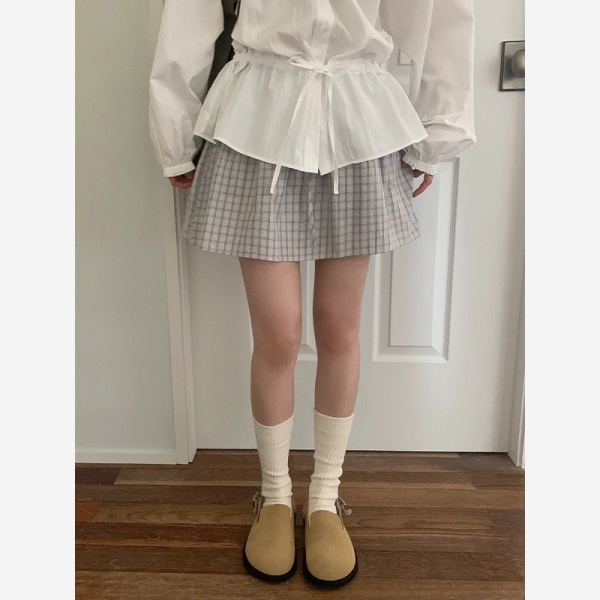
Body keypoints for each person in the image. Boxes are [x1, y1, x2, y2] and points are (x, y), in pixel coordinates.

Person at [149, 0, 475, 589]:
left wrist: (439, 128)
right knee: (278, 334)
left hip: (359, 121)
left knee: (338, 328)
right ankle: (274, 495)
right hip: (256, 120)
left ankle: (325, 497)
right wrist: (175, 130)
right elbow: (188, 18)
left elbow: (439, 13)